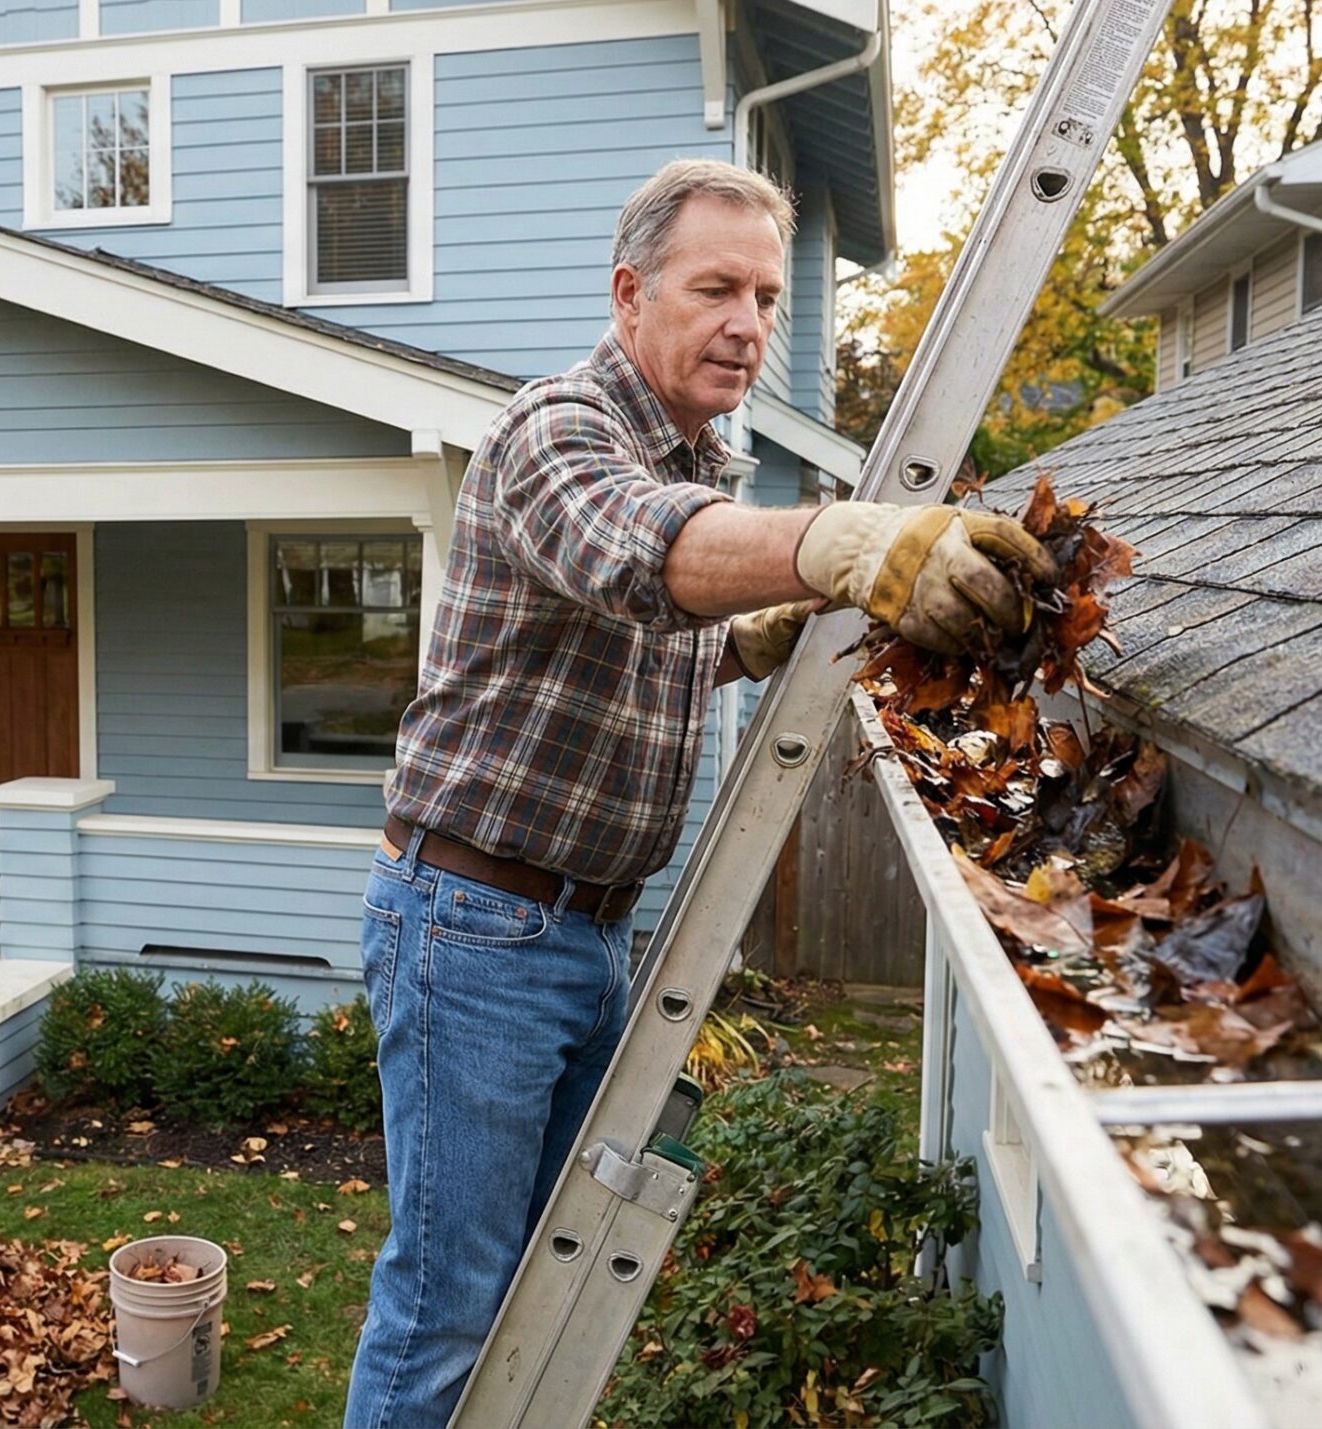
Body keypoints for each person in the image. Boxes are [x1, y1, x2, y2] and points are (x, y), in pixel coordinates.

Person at [340, 158, 1053, 1429]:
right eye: (715, 287)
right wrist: (838, 543)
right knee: (450, 1301)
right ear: (631, 295)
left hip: (579, 927)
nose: (749, 323)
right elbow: (630, 548)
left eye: (769, 297)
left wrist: (755, 631)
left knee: (534, 1305)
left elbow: (642, 632)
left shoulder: (693, 458)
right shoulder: (558, 428)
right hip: (472, 925)